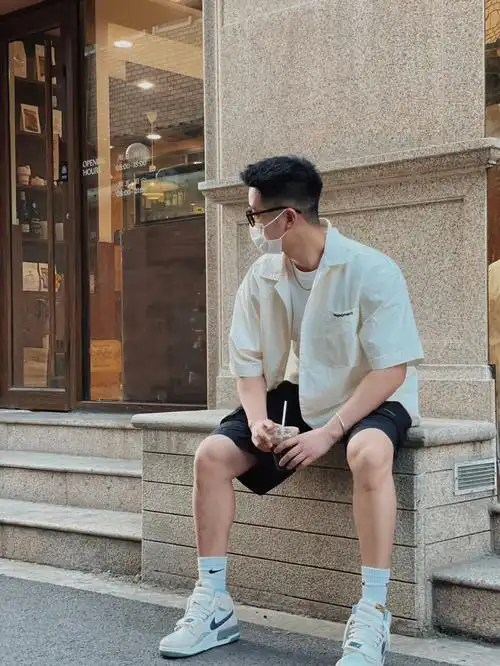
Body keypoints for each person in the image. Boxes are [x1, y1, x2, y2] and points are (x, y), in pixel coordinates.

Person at [159, 156, 424, 665]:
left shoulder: (371, 269)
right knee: (211, 456)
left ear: (288, 218)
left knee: (369, 454)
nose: (252, 227)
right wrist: (257, 419)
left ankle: (373, 611)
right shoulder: (261, 276)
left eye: (255, 216)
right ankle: (213, 603)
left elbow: (392, 369)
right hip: (298, 391)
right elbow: (248, 365)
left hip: (371, 394)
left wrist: (330, 433)